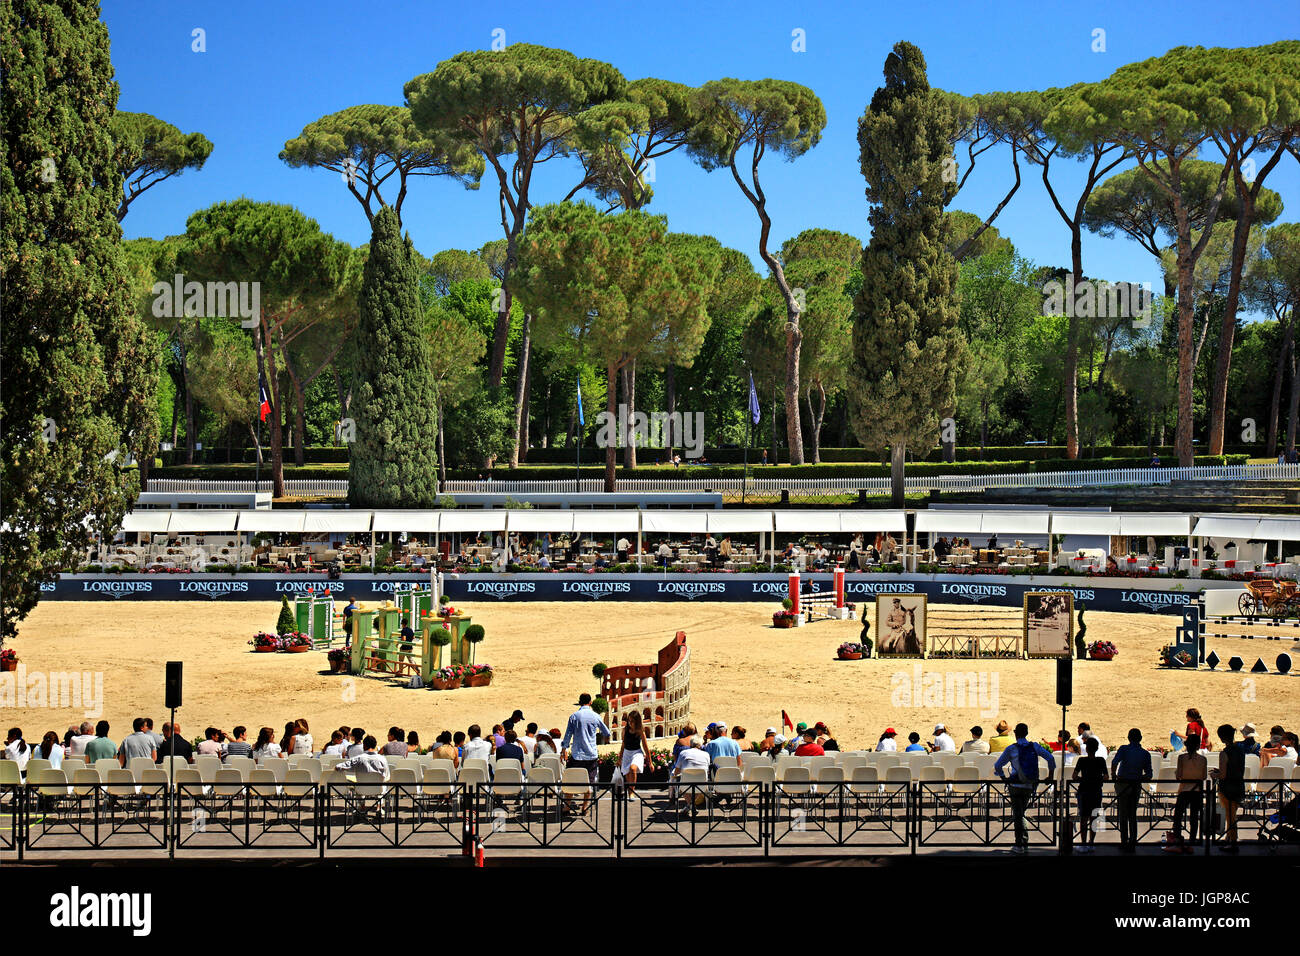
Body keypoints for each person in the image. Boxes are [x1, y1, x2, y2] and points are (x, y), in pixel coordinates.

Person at [993, 723, 1055, 854]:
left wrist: (1004, 778)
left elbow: (998, 765)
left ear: (1015, 733)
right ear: (1026, 733)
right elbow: (1050, 758)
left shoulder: (1011, 749)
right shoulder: (1035, 746)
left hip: (1015, 784)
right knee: (1022, 813)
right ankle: (1023, 842)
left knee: (1018, 814)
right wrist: (1050, 776)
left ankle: (1020, 844)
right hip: (1030, 784)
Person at [562, 693, 612, 815]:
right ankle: (585, 807)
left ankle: (567, 806)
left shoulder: (574, 716)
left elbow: (568, 734)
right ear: (590, 702)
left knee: (572, 780)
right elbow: (606, 732)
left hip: (577, 754)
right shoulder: (595, 716)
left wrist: (564, 748)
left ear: (579, 702)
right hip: (591, 754)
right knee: (589, 781)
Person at [1111, 728, 1153, 853]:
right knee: (1132, 814)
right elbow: (1149, 774)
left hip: (1123, 784)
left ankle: (1124, 841)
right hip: (1135, 785)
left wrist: (1114, 775)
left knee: (1123, 814)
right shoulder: (1145, 754)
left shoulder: (1124, 749)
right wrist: (1138, 777)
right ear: (1140, 738)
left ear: (1129, 738)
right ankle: (1133, 841)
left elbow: (1114, 762)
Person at [1167, 732, 1206, 853]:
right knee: (1194, 817)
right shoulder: (1203, 759)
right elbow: (1204, 776)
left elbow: (1179, 776)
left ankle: (1178, 840)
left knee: (1178, 816)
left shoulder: (1182, 758)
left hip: (1184, 790)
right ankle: (1193, 840)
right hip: (1197, 791)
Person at [1211, 724, 1245, 853]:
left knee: (1230, 817)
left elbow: (1223, 775)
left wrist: (1215, 774)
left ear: (1221, 737)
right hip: (1238, 785)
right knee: (1232, 815)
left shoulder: (1224, 753)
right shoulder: (1240, 750)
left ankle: (1232, 842)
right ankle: (1229, 838)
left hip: (1227, 788)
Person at [1072, 736, 1108, 853]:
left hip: (1084, 791)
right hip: (1096, 791)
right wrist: (1097, 779)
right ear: (1097, 748)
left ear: (1087, 749)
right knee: (1094, 817)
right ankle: (1091, 842)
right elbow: (1106, 776)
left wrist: (1083, 779)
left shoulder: (1082, 760)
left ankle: (1083, 843)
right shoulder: (1101, 760)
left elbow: (1074, 776)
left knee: (1083, 818)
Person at [618, 711, 652, 800]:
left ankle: (632, 792)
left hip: (636, 752)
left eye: (632, 721)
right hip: (626, 753)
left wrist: (650, 762)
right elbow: (623, 744)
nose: (630, 723)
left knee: (633, 769)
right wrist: (619, 758)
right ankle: (629, 791)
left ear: (637, 722)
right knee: (628, 774)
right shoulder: (625, 730)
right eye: (629, 721)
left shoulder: (640, 731)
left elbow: (645, 746)